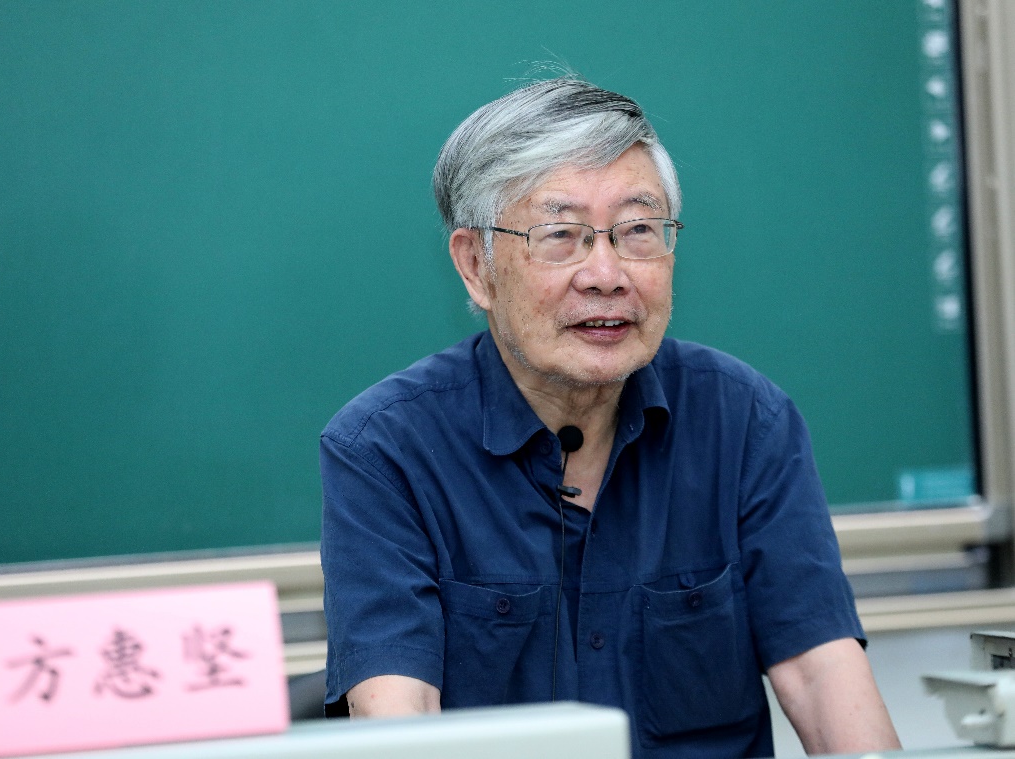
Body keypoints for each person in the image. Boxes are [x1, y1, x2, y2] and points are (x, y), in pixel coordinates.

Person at [320, 77, 900, 757]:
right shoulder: (384, 449)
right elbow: (398, 713)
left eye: (637, 231)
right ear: (476, 265)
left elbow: (820, 670)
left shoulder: (744, 420)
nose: (606, 273)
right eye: (561, 235)